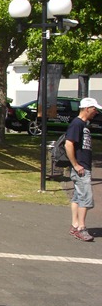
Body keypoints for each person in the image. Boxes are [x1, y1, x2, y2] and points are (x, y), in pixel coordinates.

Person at [66, 97, 101, 242]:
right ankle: (81, 228)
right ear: (87, 109)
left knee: (78, 197)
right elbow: (68, 144)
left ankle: (75, 225)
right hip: (81, 168)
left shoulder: (82, 124)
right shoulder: (77, 124)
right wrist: (76, 164)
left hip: (83, 166)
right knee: (85, 198)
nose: (96, 112)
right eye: (94, 109)